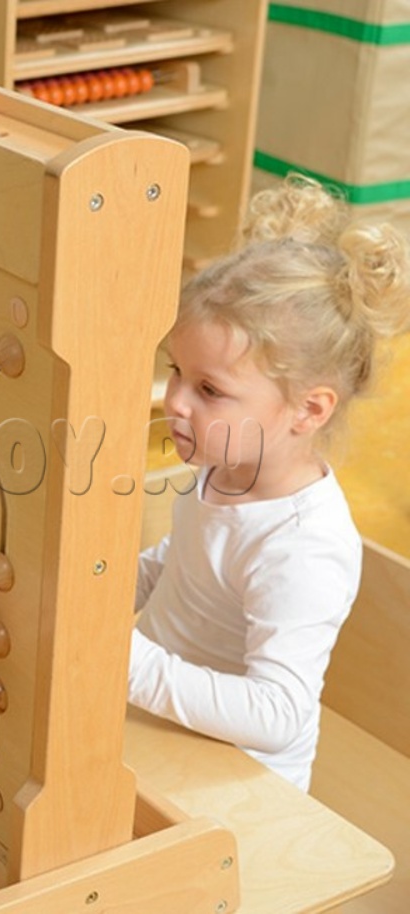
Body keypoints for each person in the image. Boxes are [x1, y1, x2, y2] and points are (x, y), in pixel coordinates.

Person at [129, 174, 410, 791]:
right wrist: (106, 591)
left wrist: (129, 664)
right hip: (159, 728)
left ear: (309, 410)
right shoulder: (225, 466)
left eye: (209, 389)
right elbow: (189, 565)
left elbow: (276, 715)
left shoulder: (303, 547)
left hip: (235, 781)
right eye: (176, 372)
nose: (175, 401)